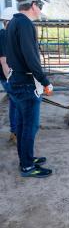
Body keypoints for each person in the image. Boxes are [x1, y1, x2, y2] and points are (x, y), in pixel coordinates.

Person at [6, 0, 53, 178]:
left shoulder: (13, 23)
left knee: (24, 125)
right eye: (40, 5)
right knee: (29, 127)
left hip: (17, 81)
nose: (40, 10)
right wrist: (45, 81)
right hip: (26, 83)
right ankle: (27, 166)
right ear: (33, 5)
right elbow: (31, 57)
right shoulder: (25, 24)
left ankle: (27, 158)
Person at [0, 7, 17, 143]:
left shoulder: (5, 35)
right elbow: (3, 60)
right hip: (7, 76)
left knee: (14, 102)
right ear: (8, 22)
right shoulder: (4, 35)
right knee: (17, 103)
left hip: (6, 76)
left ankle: (14, 132)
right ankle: (15, 132)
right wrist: (10, 79)